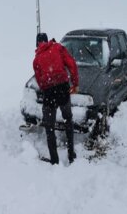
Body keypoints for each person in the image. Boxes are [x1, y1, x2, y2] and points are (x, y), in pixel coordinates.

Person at [33, 33, 79, 165]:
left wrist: (47, 88)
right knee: (68, 119)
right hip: (63, 89)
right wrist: (75, 83)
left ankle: (54, 160)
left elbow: (40, 81)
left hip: (49, 92)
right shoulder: (58, 48)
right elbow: (72, 64)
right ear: (47, 41)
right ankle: (71, 154)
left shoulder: (36, 60)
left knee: (49, 126)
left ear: (37, 44)